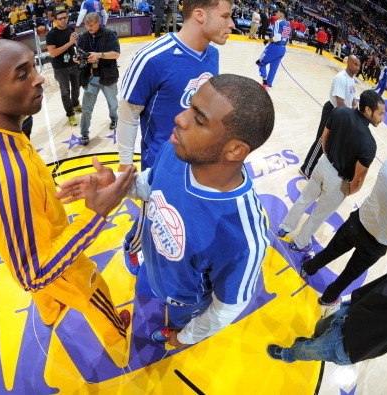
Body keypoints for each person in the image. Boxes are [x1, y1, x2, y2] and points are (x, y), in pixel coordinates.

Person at [56, 74, 273, 347]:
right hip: (152, 265)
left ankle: (174, 328)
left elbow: (226, 308)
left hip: (185, 298)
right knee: (146, 288)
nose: (180, 119)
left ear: (234, 150)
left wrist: (184, 337)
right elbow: (151, 184)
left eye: (199, 119)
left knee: (176, 324)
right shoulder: (178, 150)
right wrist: (122, 185)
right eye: (189, 107)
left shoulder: (242, 238)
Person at [0, 39, 135, 368]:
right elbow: (34, 272)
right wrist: (97, 214)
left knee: (45, 295)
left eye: (34, 67)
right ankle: (119, 344)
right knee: (94, 291)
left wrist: (44, 189)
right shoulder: (11, 179)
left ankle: (50, 310)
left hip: (17, 235)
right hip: (51, 255)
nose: (39, 78)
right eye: (22, 74)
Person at [267, 174, 387, 365]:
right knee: (321, 326)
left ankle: (289, 354)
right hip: (350, 308)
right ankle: (309, 338)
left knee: (307, 351)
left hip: (346, 344)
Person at [117, 0, 234, 275]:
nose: (232, 24)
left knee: (181, 216)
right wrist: (125, 164)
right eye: (226, 16)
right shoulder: (152, 57)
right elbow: (127, 114)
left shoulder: (212, 56)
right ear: (200, 15)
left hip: (195, 158)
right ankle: (133, 246)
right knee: (151, 217)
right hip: (158, 161)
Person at [300, 134, 387, 314]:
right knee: (349, 275)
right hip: (376, 245)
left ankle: (308, 268)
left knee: (331, 250)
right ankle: (327, 298)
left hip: (359, 223)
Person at [278, 90, 384, 253]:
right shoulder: (369, 143)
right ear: (368, 110)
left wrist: (327, 156)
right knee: (318, 216)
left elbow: (324, 136)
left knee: (304, 199)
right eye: (380, 114)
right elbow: (359, 178)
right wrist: (349, 191)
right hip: (338, 181)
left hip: (322, 165)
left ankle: (285, 227)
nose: (382, 118)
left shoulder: (340, 112)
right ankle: (299, 243)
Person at [300, 55, 360, 178]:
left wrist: (355, 108)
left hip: (342, 113)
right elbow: (340, 102)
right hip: (333, 111)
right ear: (348, 63)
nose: (358, 68)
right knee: (321, 141)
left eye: (359, 65)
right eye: (355, 64)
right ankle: (306, 168)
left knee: (329, 144)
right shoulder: (341, 78)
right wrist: (351, 117)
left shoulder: (351, 79)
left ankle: (313, 166)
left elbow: (353, 98)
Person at [74, 12, 120, 145]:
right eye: (87, 25)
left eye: (91, 25)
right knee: (86, 109)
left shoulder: (109, 35)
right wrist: (77, 60)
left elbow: (116, 54)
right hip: (90, 77)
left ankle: (114, 118)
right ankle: (84, 134)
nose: (89, 28)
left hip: (108, 76)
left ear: (98, 22)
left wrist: (98, 55)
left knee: (112, 103)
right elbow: (79, 55)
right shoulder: (83, 38)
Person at [46, 10, 82, 126]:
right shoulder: (51, 34)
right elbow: (53, 53)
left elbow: (75, 43)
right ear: (55, 21)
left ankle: (75, 104)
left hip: (73, 63)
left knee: (76, 87)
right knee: (65, 92)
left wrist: (76, 43)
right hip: (60, 67)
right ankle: (70, 114)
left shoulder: (70, 28)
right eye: (60, 18)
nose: (63, 20)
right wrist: (70, 43)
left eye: (65, 17)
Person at [255, 9, 291, 89]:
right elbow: (287, 39)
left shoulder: (278, 22)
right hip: (283, 49)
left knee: (260, 62)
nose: (276, 14)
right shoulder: (288, 25)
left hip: (275, 46)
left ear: (281, 15)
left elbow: (277, 38)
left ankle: (264, 82)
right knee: (273, 68)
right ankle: (268, 84)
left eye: (277, 12)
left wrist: (267, 40)